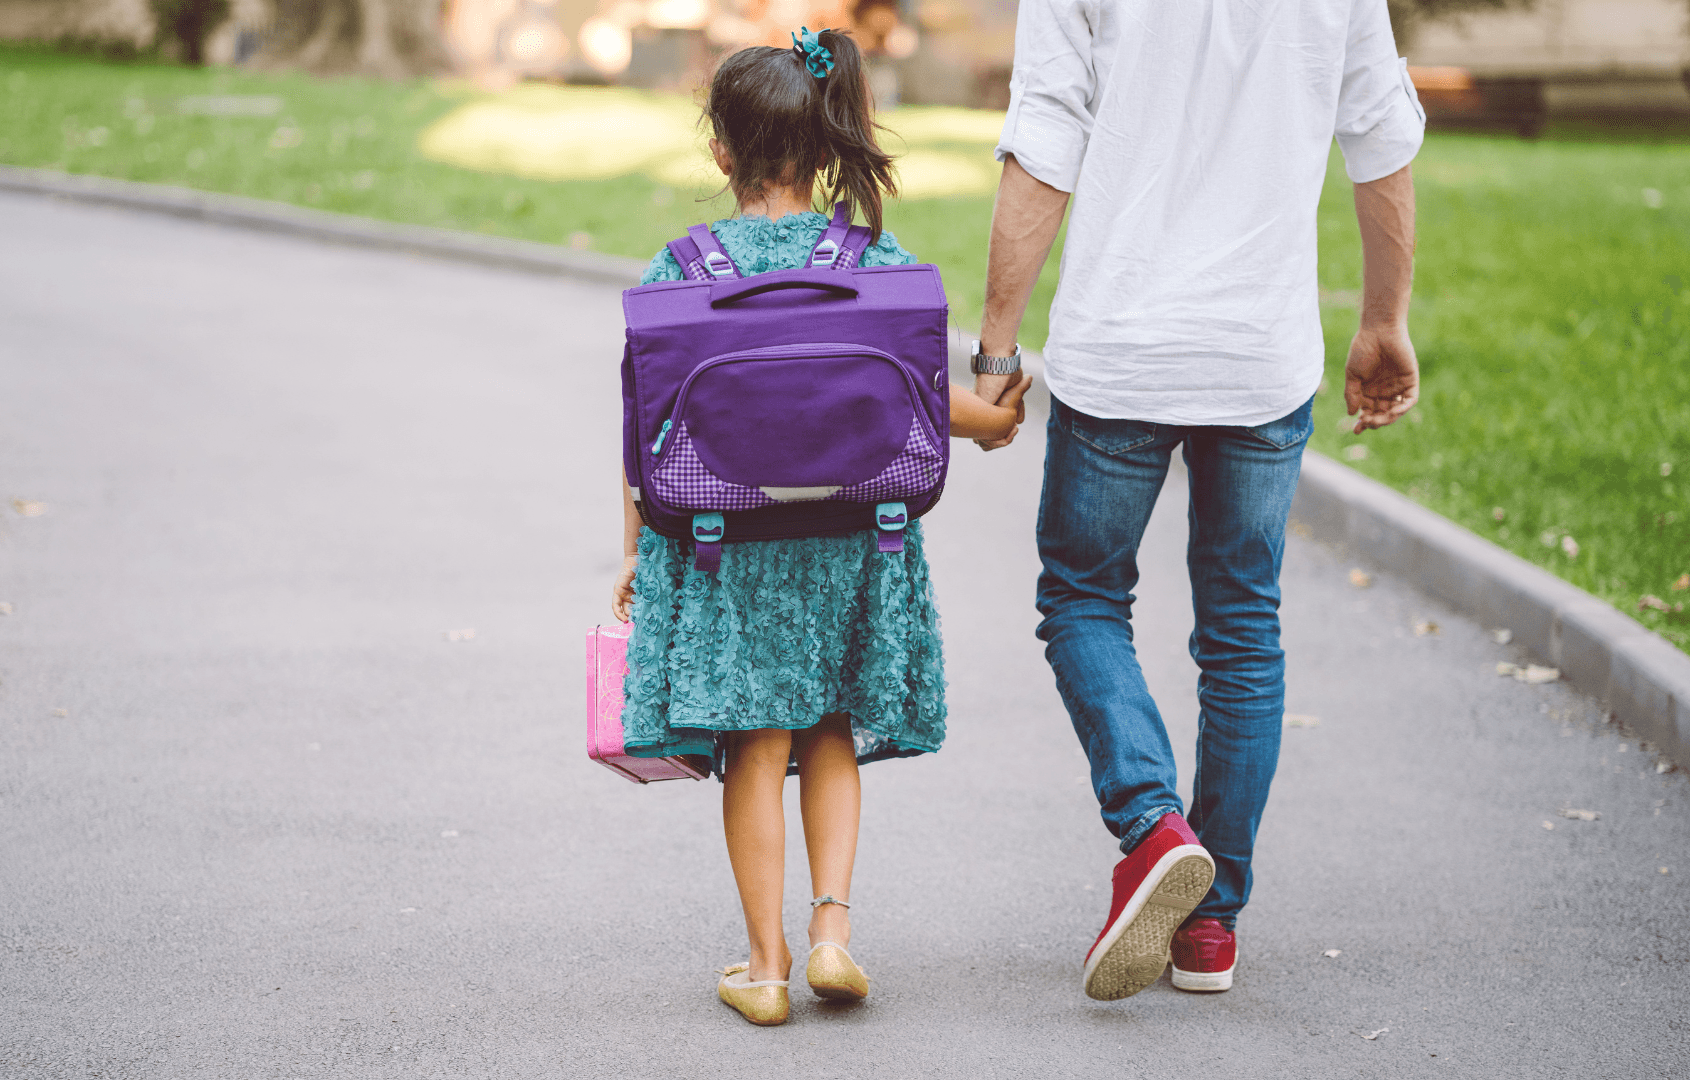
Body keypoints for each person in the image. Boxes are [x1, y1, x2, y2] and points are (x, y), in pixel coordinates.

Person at [970, 0, 1425, 1000]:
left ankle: (1152, 825)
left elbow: (1045, 137)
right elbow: (1382, 134)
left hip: (1120, 350)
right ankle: (1211, 927)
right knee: (1242, 630)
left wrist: (998, 350)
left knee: (1084, 601)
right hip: (1262, 357)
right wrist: (1385, 320)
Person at [610, 28, 1031, 1027]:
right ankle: (834, 935)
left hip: (727, 541)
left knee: (757, 745)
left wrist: (631, 552)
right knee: (831, 724)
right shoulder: (873, 259)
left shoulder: (681, 271)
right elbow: (928, 403)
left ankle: (766, 968)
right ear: (829, 141)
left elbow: (643, 430)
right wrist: (998, 421)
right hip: (851, 536)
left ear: (723, 152)